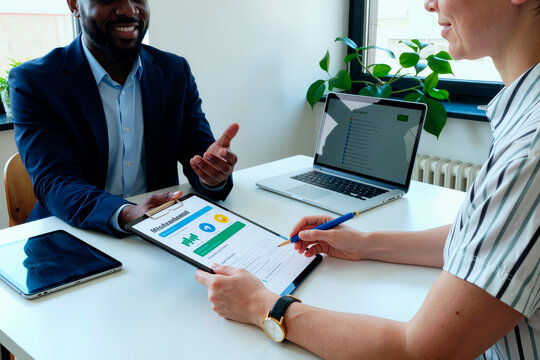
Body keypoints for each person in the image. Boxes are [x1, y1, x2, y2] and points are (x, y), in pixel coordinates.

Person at [195, 0, 540, 358]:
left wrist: (262, 305)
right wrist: (364, 243)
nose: (429, 4)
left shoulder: (530, 150)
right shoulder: (524, 119)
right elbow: (479, 238)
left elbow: (418, 351)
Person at [9, 0, 239, 236]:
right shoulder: (36, 82)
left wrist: (213, 176)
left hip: (161, 229)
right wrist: (127, 213)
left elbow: (199, 155)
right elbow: (56, 181)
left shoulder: (173, 70)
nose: (129, 10)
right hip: (70, 235)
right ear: (74, 5)